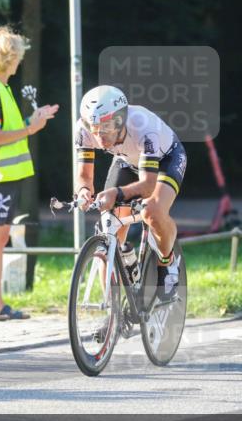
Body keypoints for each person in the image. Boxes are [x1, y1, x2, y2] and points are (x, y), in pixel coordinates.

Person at [0, 26, 58, 320]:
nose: (20, 60)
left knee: (0, 238)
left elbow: (4, 130)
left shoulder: (1, 88)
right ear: (8, 58)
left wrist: (31, 119)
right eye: (18, 55)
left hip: (7, 178)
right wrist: (30, 128)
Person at [73, 85, 187, 299]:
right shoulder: (83, 129)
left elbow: (147, 186)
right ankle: (111, 310)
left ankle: (168, 261)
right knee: (108, 228)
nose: (99, 136)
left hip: (166, 160)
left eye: (105, 127)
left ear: (120, 120)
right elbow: (84, 175)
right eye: (93, 128)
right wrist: (83, 191)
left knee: (151, 211)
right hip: (127, 161)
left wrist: (115, 193)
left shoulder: (144, 126)